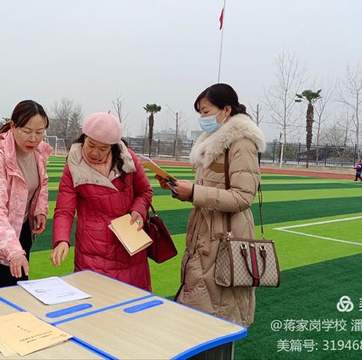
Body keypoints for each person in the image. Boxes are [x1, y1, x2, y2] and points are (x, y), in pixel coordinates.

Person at [157, 83, 265, 330]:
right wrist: (182, 191)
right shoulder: (213, 142)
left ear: (226, 110)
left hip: (227, 236)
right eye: (200, 112)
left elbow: (242, 197)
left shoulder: (242, 143)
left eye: (205, 111)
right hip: (206, 234)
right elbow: (211, 191)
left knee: (220, 312)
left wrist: (194, 192)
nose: (202, 118)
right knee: (200, 304)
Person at [51, 112, 154, 291]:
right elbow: (64, 210)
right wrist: (61, 240)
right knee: (94, 308)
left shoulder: (128, 159)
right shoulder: (74, 166)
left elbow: (145, 192)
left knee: (131, 309)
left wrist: (138, 210)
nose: (95, 153)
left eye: (103, 148)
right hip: (92, 251)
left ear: (112, 147)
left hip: (129, 249)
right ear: (84, 138)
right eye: (91, 145)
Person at [0, 100, 51, 292]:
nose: (33, 138)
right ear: (13, 126)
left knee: (19, 290)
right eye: (27, 131)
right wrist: (13, 251)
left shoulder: (39, 153)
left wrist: (39, 210)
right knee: (1, 298)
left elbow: (42, 182)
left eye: (39, 132)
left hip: (21, 230)